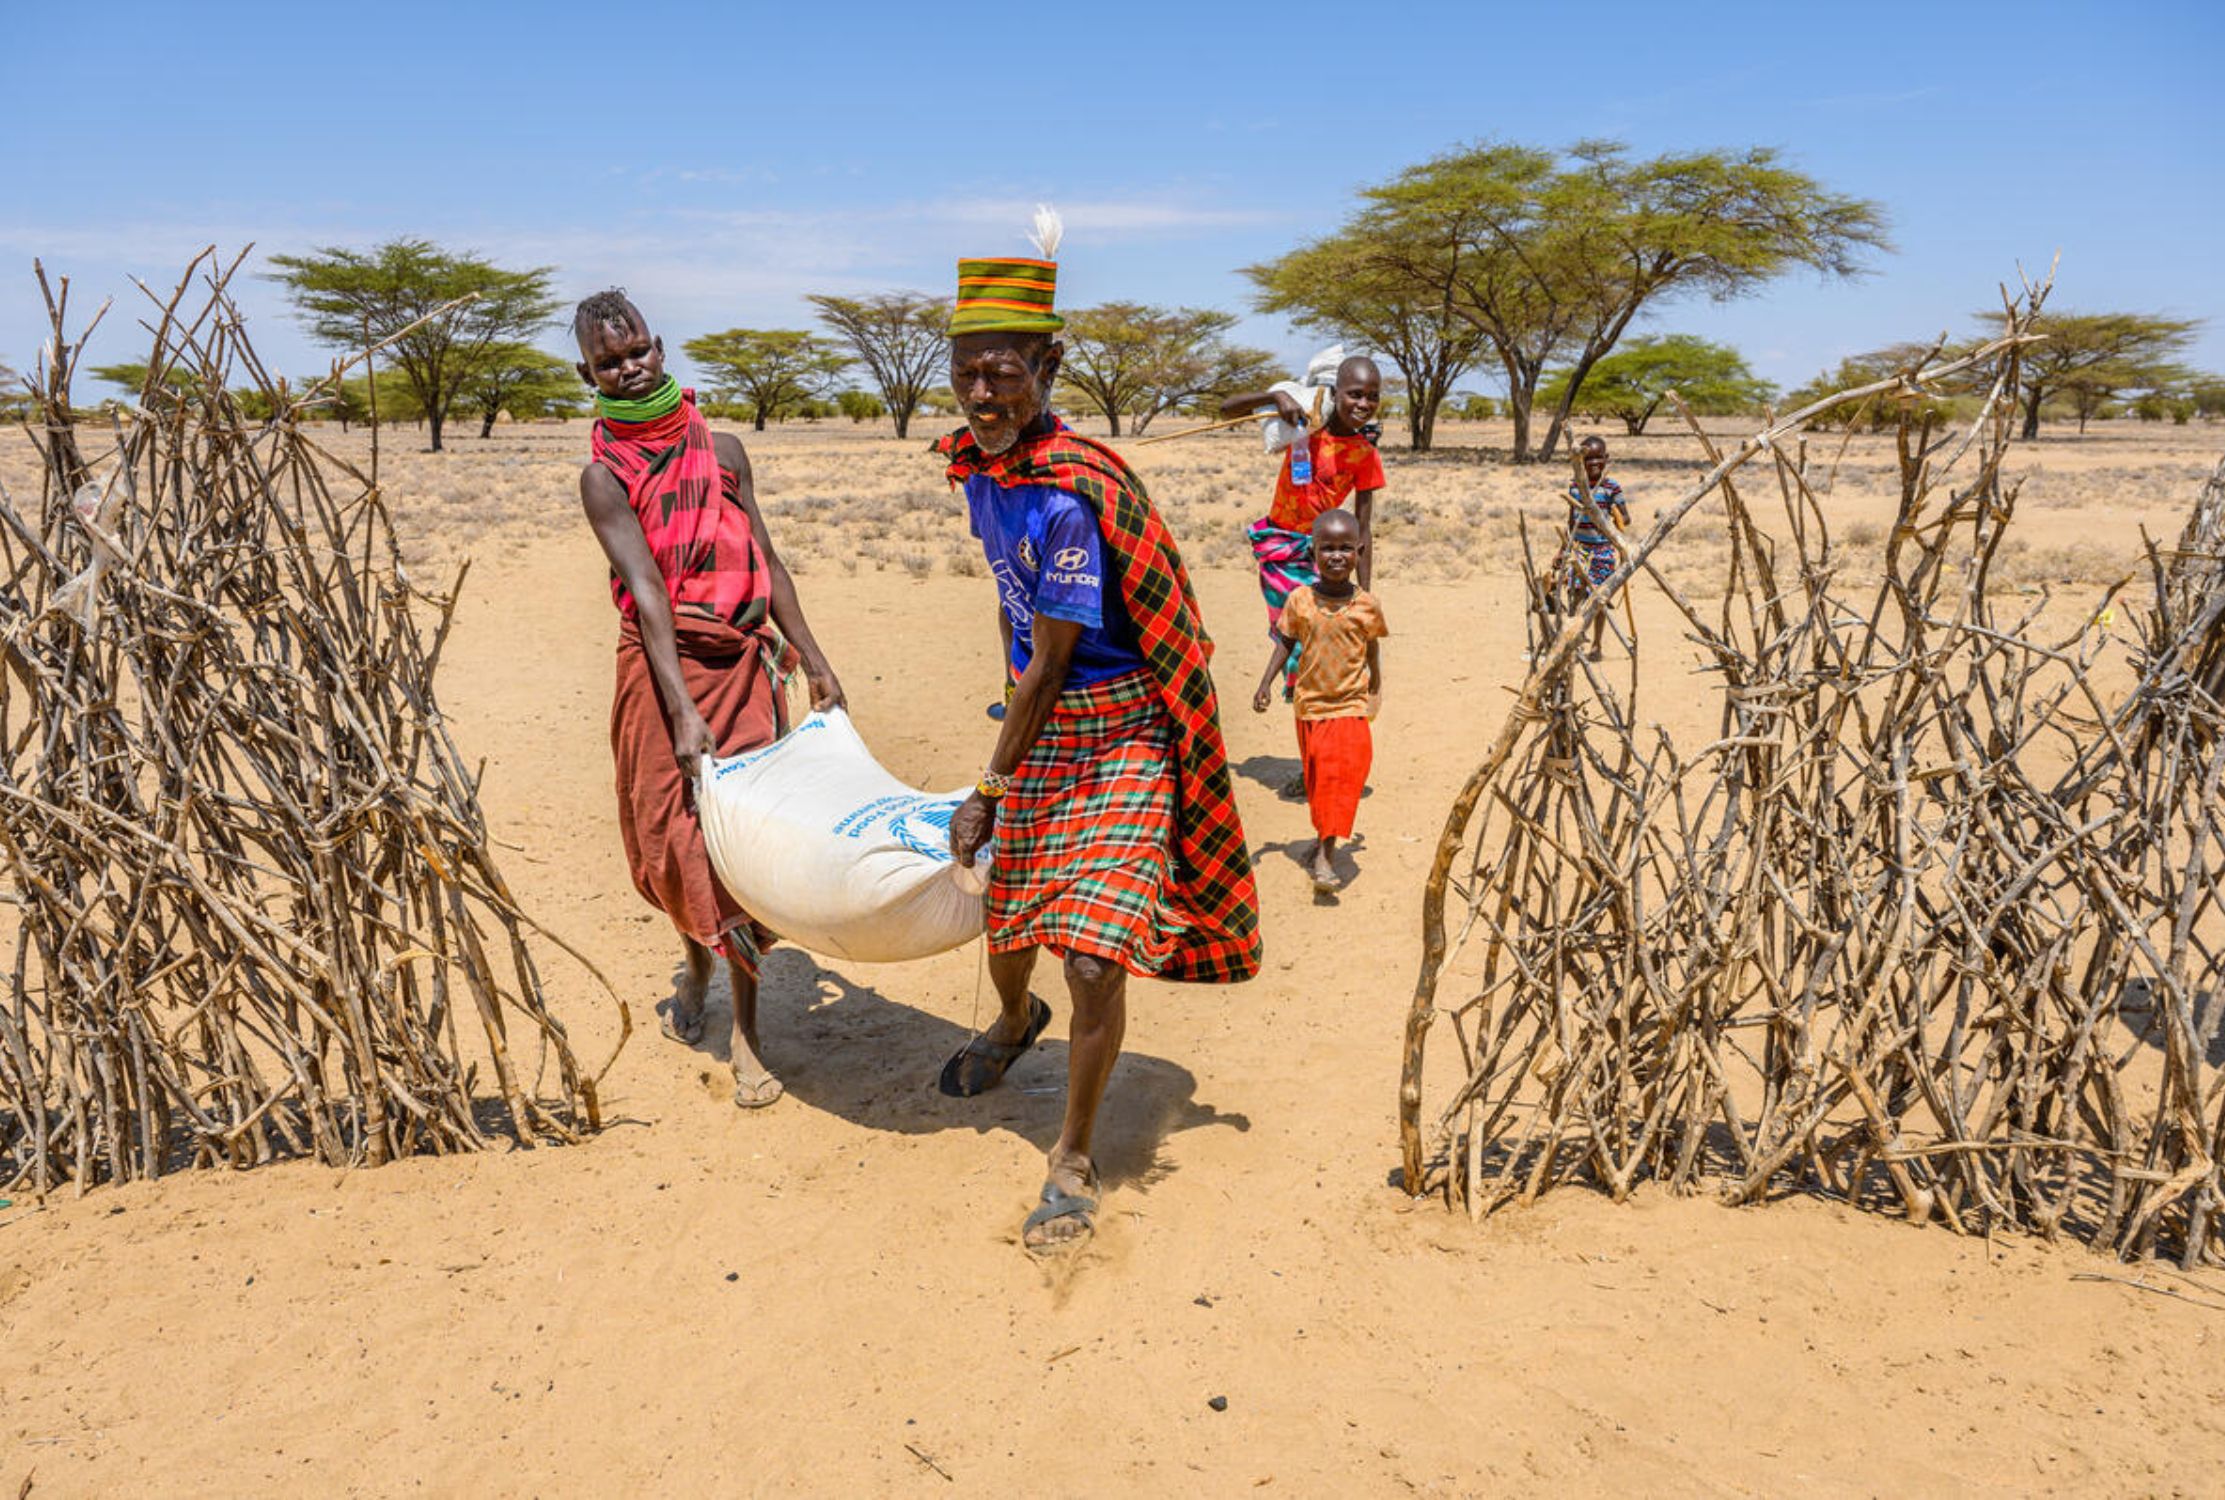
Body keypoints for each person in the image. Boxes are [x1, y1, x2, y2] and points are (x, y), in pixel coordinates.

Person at [931, 222, 1261, 1254]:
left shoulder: (1074, 493)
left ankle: (1071, 1152)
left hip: (1117, 735)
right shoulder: (986, 474)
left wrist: (990, 778)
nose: (984, 397)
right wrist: (1006, 713)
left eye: (1004, 376)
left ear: (1046, 368)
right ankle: (1009, 1023)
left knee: (1089, 956)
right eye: (966, 377)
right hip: (1036, 722)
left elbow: (1058, 657)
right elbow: (1009, 611)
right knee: (1014, 920)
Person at [573, 288, 844, 1110]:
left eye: (637, 353)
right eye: (608, 362)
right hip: (661, 670)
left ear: (660, 348)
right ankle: (696, 962)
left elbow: (766, 556)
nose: (628, 370)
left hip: (740, 662)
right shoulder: (603, 475)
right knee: (669, 837)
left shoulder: (722, 449)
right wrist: (680, 708)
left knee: (740, 843)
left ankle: (747, 1034)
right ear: (586, 371)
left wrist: (813, 653)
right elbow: (648, 590)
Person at [1219, 356, 1385, 701]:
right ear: (1334, 392)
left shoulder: (1365, 454)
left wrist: (1365, 593)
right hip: (1279, 550)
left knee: (1325, 639)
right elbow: (1226, 408)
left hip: (1324, 553)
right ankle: (1313, 710)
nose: (1363, 404)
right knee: (1299, 639)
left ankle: (1325, 713)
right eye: (1355, 394)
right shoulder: (1302, 430)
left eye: (1372, 396)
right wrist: (1272, 397)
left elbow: (1363, 530)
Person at [1251, 509, 1386, 893]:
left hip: (1349, 705)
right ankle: (1322, 837)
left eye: (1346, 548)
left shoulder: (1367, 605)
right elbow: (1286, 642)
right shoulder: (1299, 600)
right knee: (1318, 778)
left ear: (1359, 551)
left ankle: (1326, 854)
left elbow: (1372, 646)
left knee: (1346, 773)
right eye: (1328, 548)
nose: (1337, 556)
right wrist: (1264, 684)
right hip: (1310, 705)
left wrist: (1375, 684)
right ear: (1313, 552)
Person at [1560, 435, 1631, 662]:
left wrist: (1610, 518)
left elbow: (1626, 518)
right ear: (1580, 461)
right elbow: (1572, 521)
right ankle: (1574, 639)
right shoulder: (1575, 486)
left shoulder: (1611, 487)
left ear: (1606, 459)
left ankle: (1598, 644)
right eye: (1588, 459)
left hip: (1602, 551)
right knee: (1575, 595)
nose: (1593, 464)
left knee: (1599, 600)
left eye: (1598, 458)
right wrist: (1563, 549)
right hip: (1580, 549)